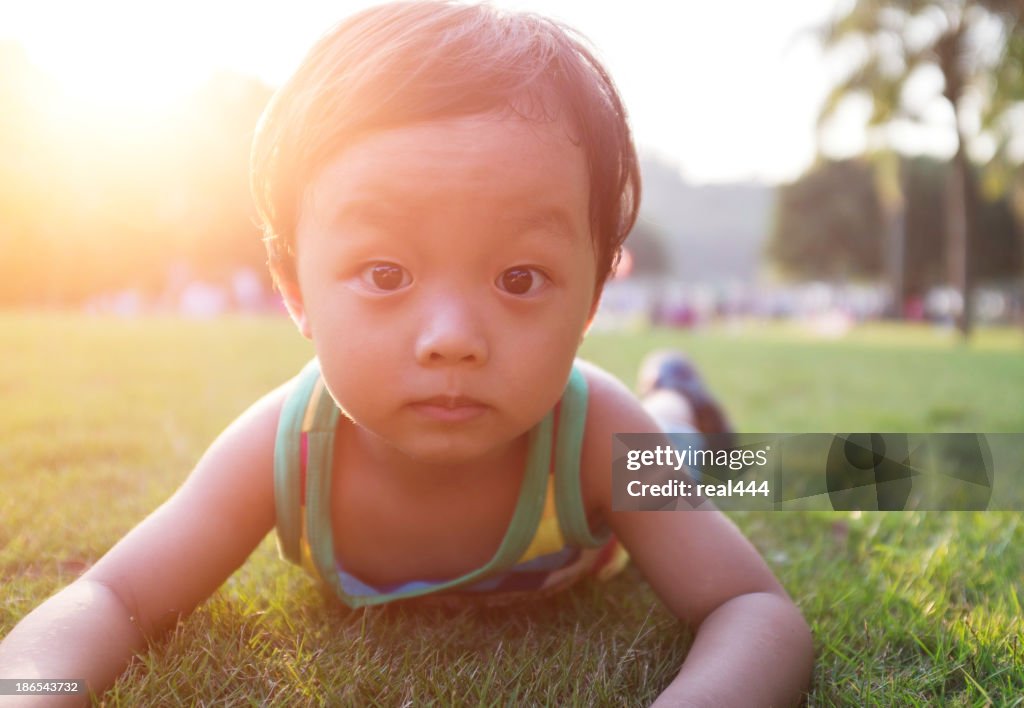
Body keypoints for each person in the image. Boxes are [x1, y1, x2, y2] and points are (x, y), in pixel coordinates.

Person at [0, 3, 813, 704]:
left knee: (684, 454)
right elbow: (111, 595)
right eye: (386, 274)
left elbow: (755, 609)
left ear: (594, 295)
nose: (451, 337)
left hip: (630, 468)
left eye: (520, 277)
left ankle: (674, 395)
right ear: (296, 291)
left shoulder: (594, 432)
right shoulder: (285, 450)